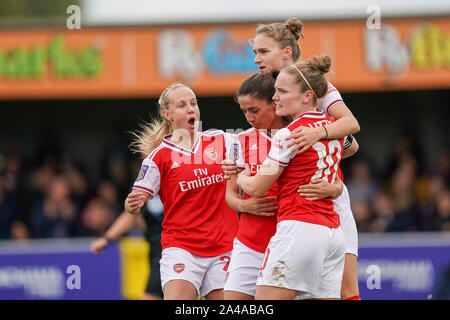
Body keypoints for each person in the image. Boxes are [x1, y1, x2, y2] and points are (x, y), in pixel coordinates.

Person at [251, 18, 361, 300]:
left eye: (263, 51)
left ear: (287, 52)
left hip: (316, 206)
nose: (256, 58)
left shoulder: (312, 85)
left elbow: (351, 134)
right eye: (255, 52)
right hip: (287, 204)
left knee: (345, 289)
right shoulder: (265, 88)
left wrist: (318, 135)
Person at [223, 72, 356, 300]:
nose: (248, 117)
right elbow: (231, 196)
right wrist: (245, 206)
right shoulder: (239, 141)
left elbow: (255, 186)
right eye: (244, 111)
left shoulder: (292, 134)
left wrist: (244, 177)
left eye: (254, 110)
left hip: (295, 230)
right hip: (261, 239)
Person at [124, 83, 240, 300]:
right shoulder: (158, 157)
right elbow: (134, 201)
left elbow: (255, 160)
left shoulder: (223, 140)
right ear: (167, 114)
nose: (191, 109)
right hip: (182, 249)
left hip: (225, 247)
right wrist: (131, 205)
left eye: (194, 103)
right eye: (182, 105)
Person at [91, 195, 164, 300]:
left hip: (170, 248)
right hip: (154, 248)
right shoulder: (142, 179)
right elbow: (130, 214)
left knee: (151, 296)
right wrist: (106, 238)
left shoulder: (177, 180)